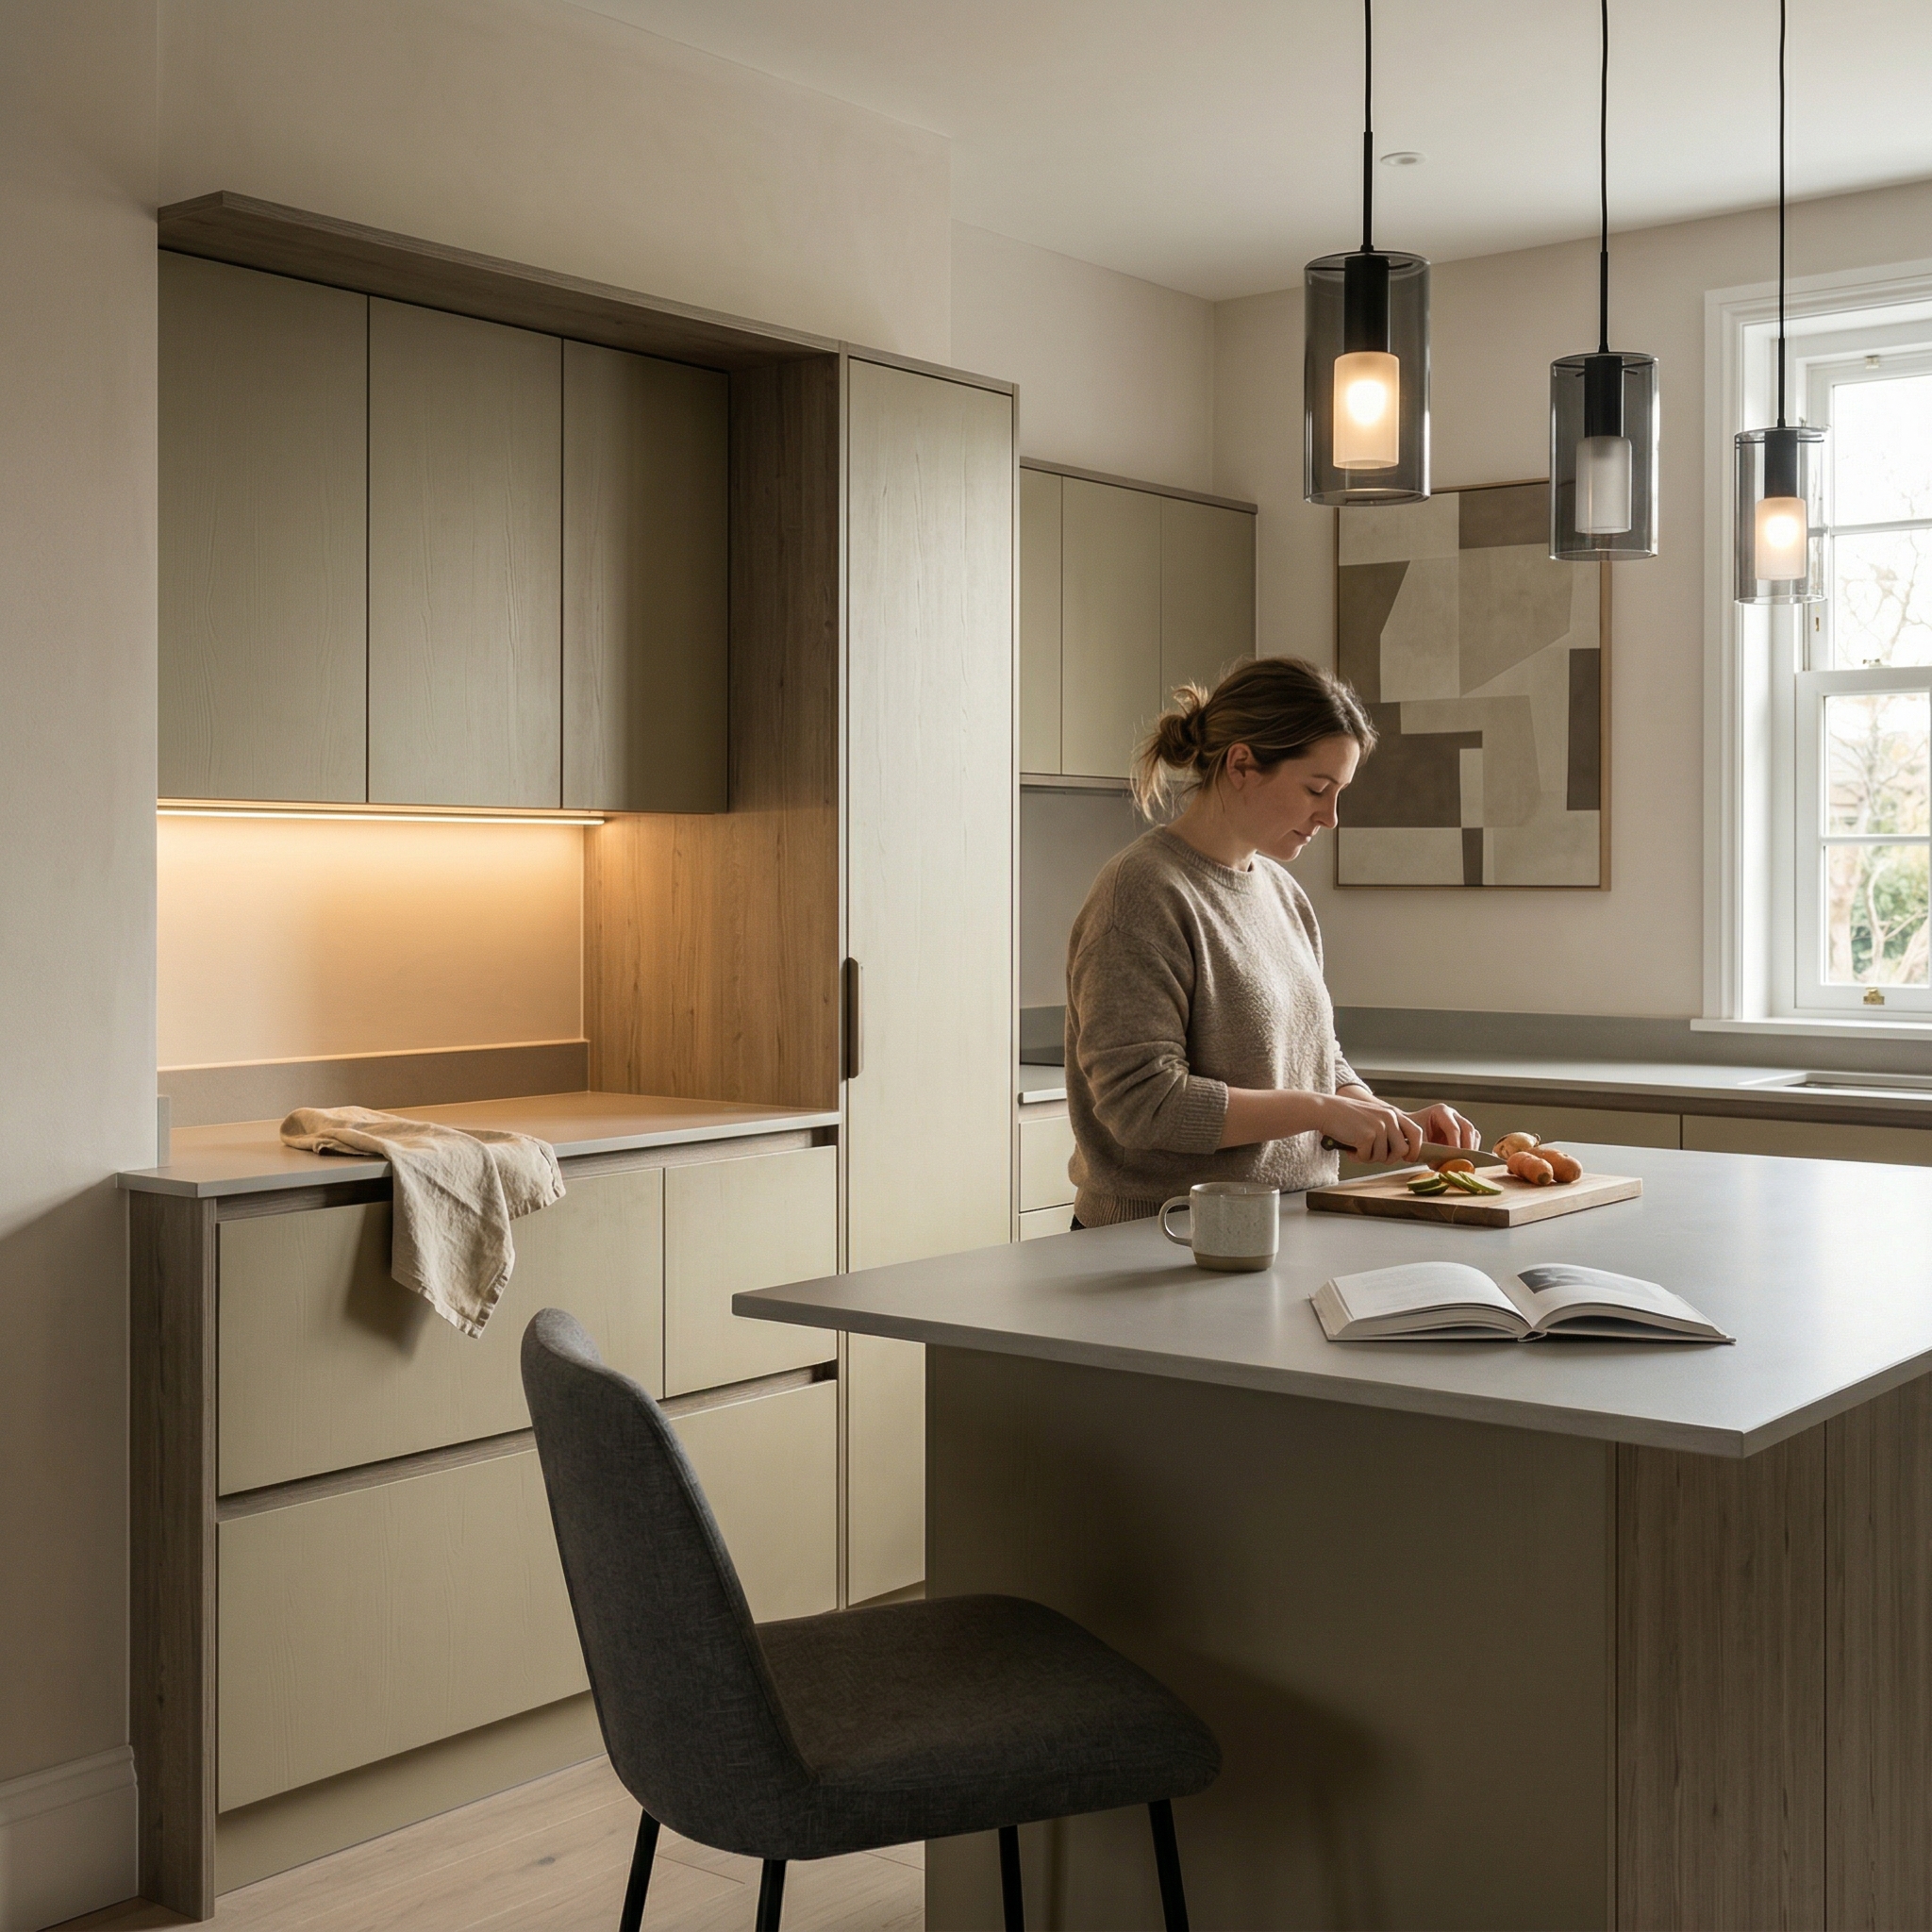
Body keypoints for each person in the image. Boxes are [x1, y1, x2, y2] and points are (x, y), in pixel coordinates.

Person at [1062, 656, 1478, 1229]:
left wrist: (1374, 1113)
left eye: (1339, 793)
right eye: (1316, 788)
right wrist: (1320, 1111)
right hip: (1161, 1239)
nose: (1330, 817)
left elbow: (1314, 1057)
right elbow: (1144, 1106)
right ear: (1241, 764)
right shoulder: (1139, 895)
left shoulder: (1284, 895)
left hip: (1287, 1227)